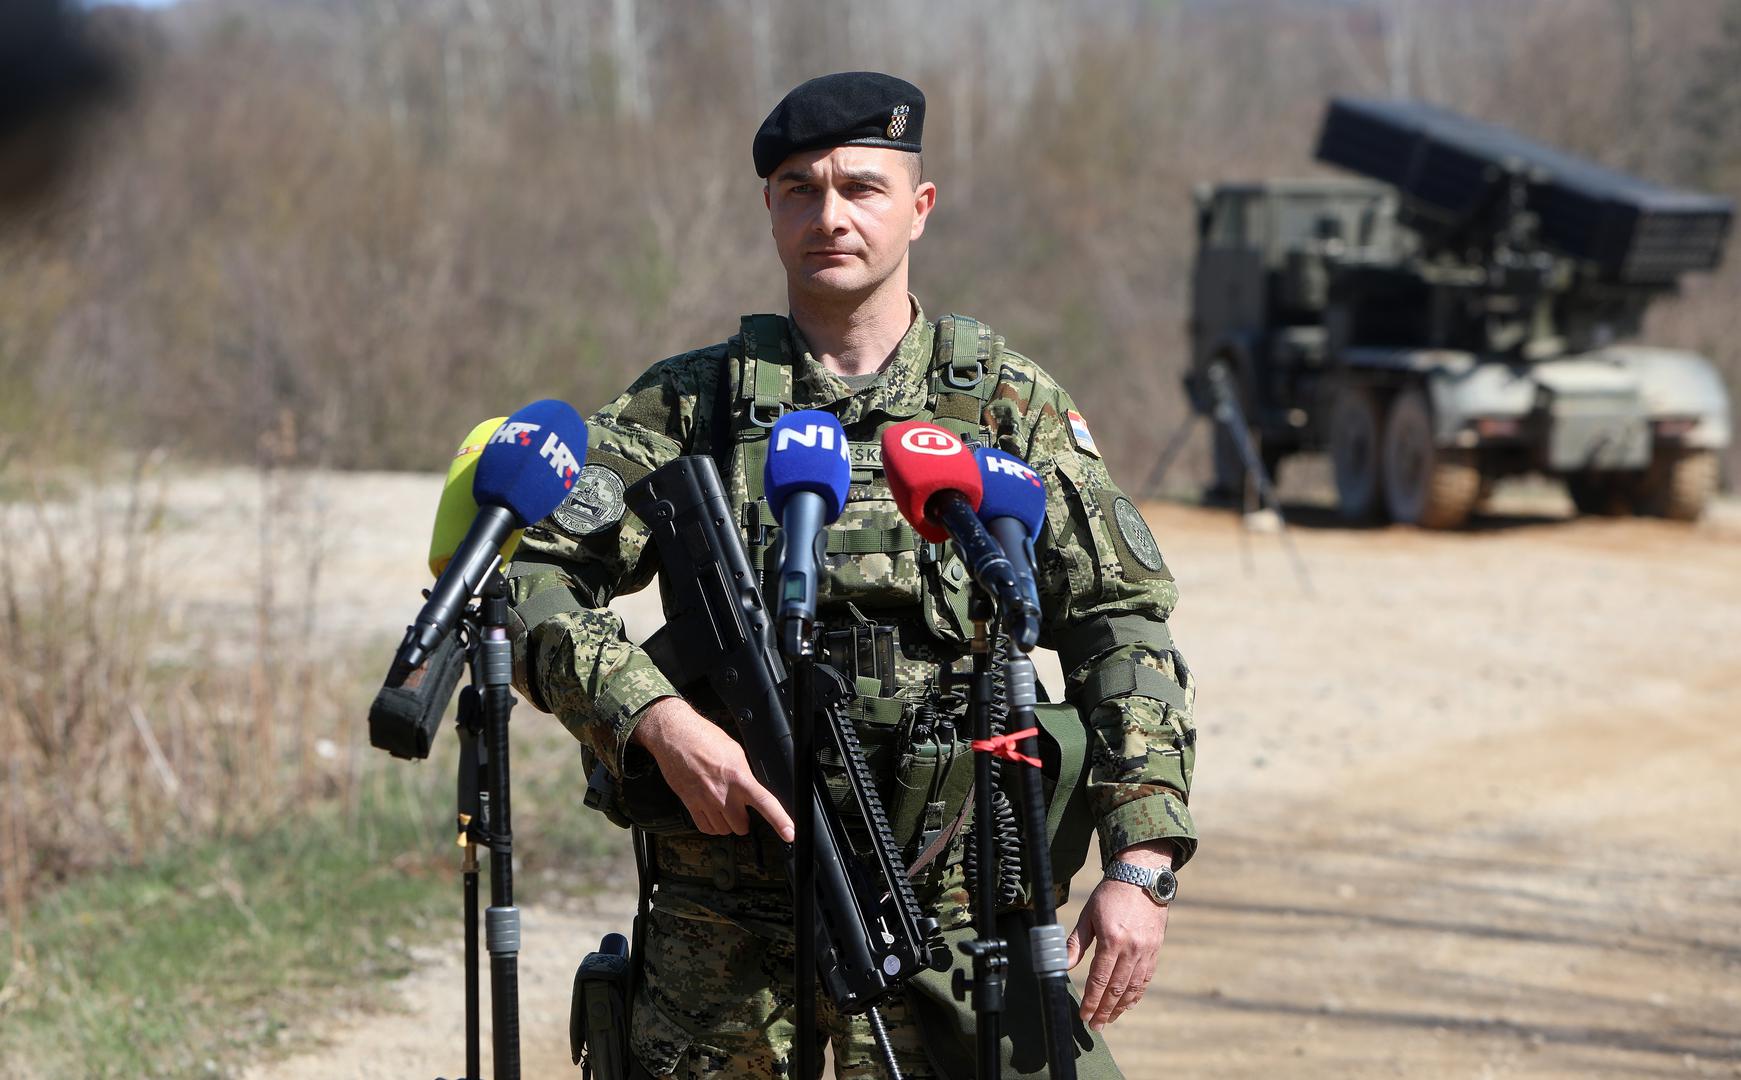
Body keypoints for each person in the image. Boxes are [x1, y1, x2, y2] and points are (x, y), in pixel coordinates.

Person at [507, 71, 1197, 1080]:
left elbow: (1120, 622)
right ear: (769, 209)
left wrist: (1143, 861)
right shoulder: (691, 406)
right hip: (724, 917)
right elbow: (530, 578)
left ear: (919, 206)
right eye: (801, 189)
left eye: (861, 187)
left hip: (954, 904)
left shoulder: (1006, 407)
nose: (830, 215)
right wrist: (654, 719)